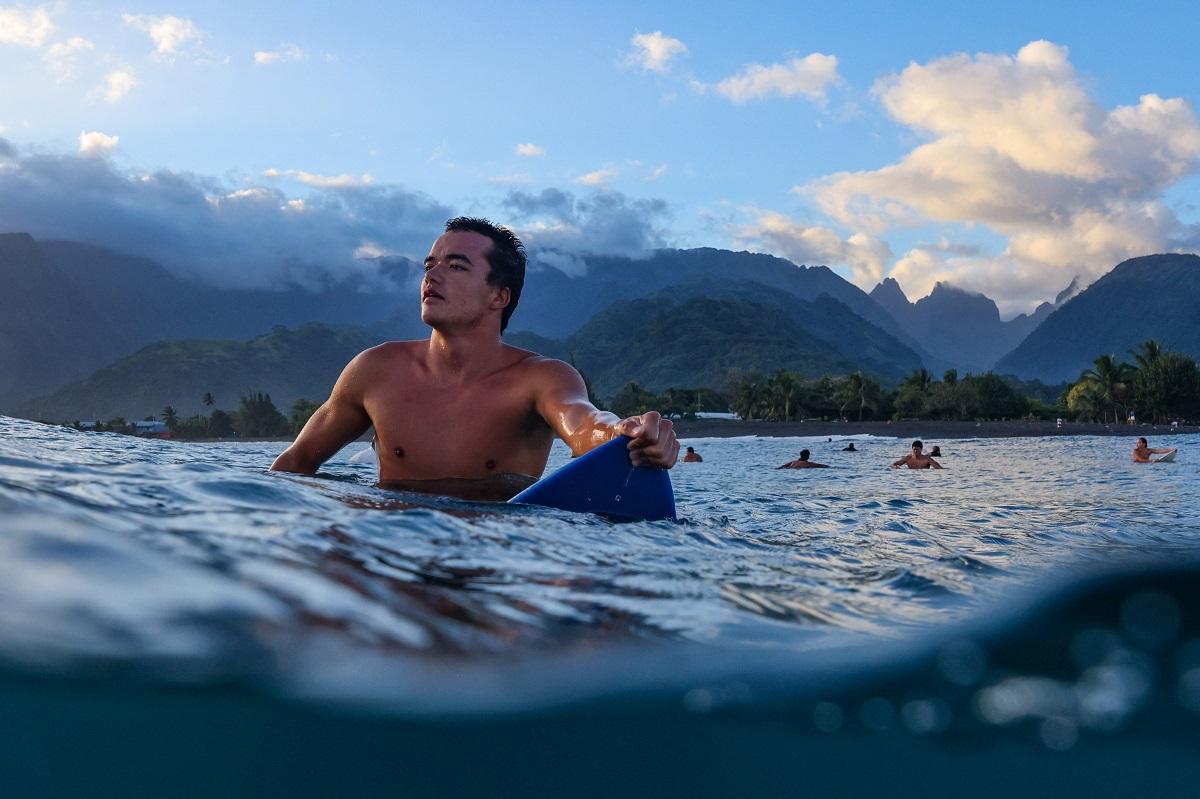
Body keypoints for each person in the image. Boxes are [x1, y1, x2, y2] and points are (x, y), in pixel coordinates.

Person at [271, 217, 679, 500]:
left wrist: (627, 434)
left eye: (456, 266)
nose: (432, 276)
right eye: (430, 265)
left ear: (499, 297)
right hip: (389, 546)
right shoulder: (374, 370)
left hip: (491, 554)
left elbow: (585, 424)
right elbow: (295, 462)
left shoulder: (539, 379)